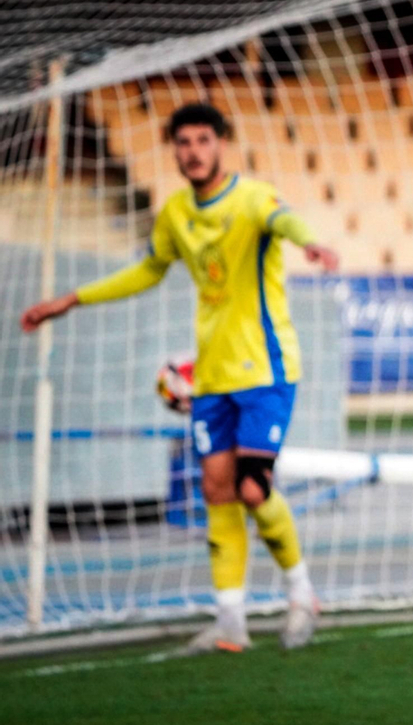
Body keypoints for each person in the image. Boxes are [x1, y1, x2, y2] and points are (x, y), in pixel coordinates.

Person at [20, 102, 339, 654]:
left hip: (266, 368)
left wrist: (307, 240)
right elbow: (148, 269)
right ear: (174, 150)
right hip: (211, 375)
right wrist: (71, 300)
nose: (192, 152)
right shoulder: (174, 214)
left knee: (251, 486)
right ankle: (232, 621)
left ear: (220, 144)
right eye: (183, 143)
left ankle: (301, 591)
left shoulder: (252, 198)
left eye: (202, 141)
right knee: (217, 488)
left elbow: (282, 219)